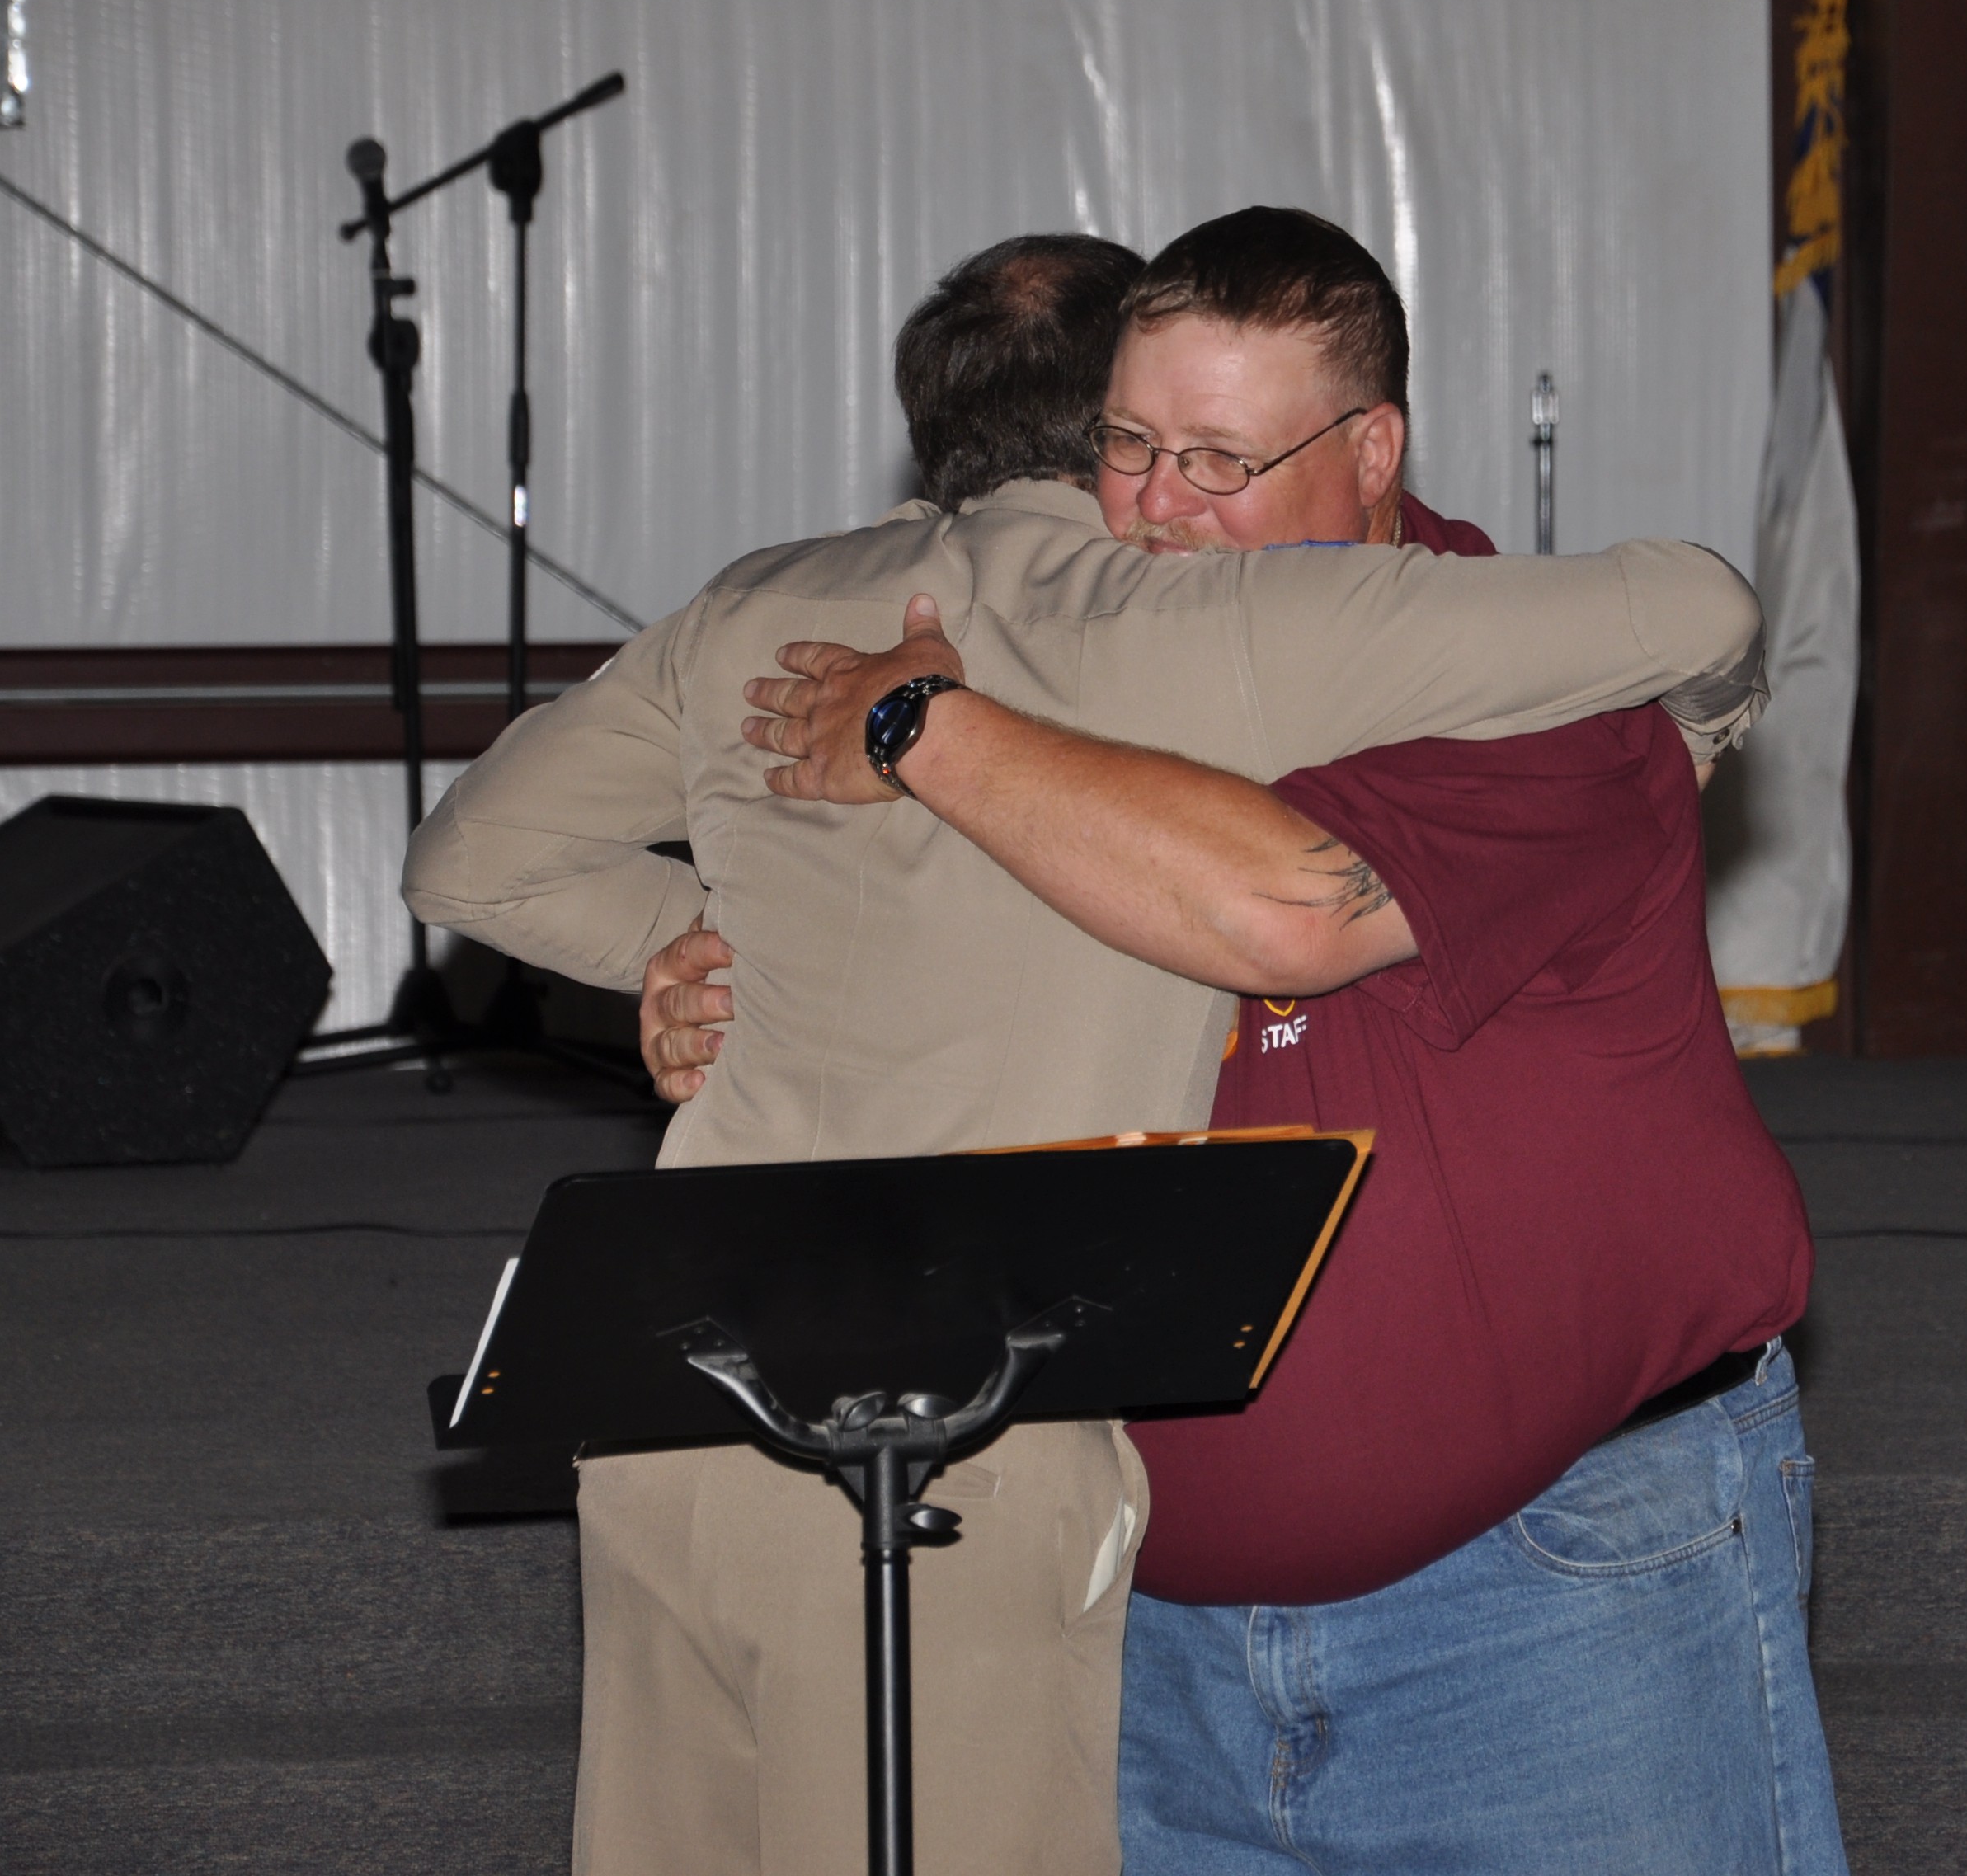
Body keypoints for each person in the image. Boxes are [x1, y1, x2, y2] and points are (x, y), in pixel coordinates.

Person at [402, 229, 1767, 1876]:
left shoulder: (1455, 669)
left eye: (1220, 458)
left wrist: (910, 747)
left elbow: (1287, 913)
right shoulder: (1162, 616)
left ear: (1374, 450)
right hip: (1059, 1560)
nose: (1167, 502)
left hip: (1525, 1609)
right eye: (1134, 443)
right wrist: (716, 959)